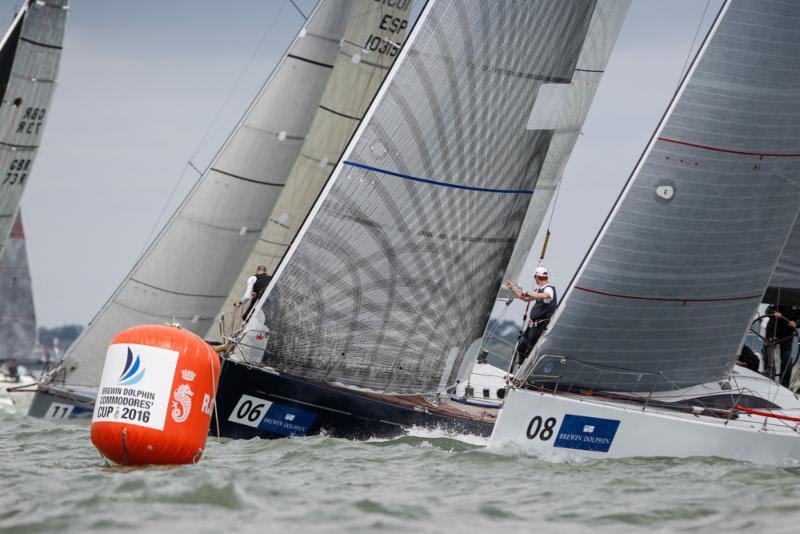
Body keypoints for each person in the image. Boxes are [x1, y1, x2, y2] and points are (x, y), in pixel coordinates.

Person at [505, 266, 558, 368]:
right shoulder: (539, 290)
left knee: (529, 349)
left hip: (540, 325)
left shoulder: (548, 288)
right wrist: (513, 288)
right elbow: (524, 298)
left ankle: (525, 368)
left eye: (535, 277)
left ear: (537, 277)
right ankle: (520, 367)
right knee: (521, 347)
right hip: (533, 325)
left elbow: (546, 296)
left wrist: (531, 293)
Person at [765, 304, 799, 388]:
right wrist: (774, 312)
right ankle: (769, 377)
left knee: (787, 359)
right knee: (768, 352)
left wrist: (796, 323)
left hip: (787, 335)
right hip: (773, 331)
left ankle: (785, 385)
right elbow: (768, 310)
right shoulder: (781, 299)